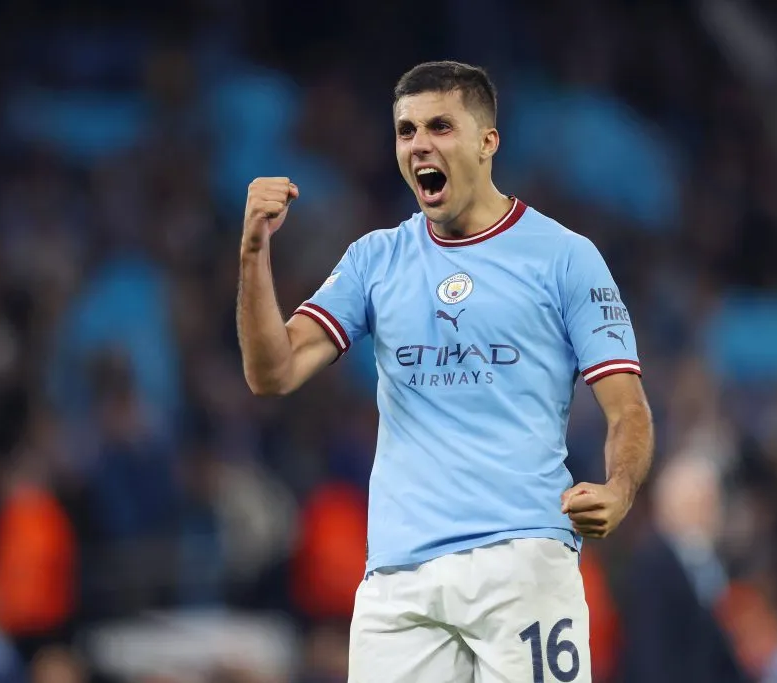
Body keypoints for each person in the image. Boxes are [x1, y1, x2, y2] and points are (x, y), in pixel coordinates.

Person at [237, 60, 654, 683]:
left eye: (440, 126)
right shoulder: (374, 259)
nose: (420, 145)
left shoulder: (564, 258)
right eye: (406, 131)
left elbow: (628, 408)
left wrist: (619, 488)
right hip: (399, 579)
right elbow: (273, 373)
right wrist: (252, 255)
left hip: (521, 561)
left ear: (488, 142)